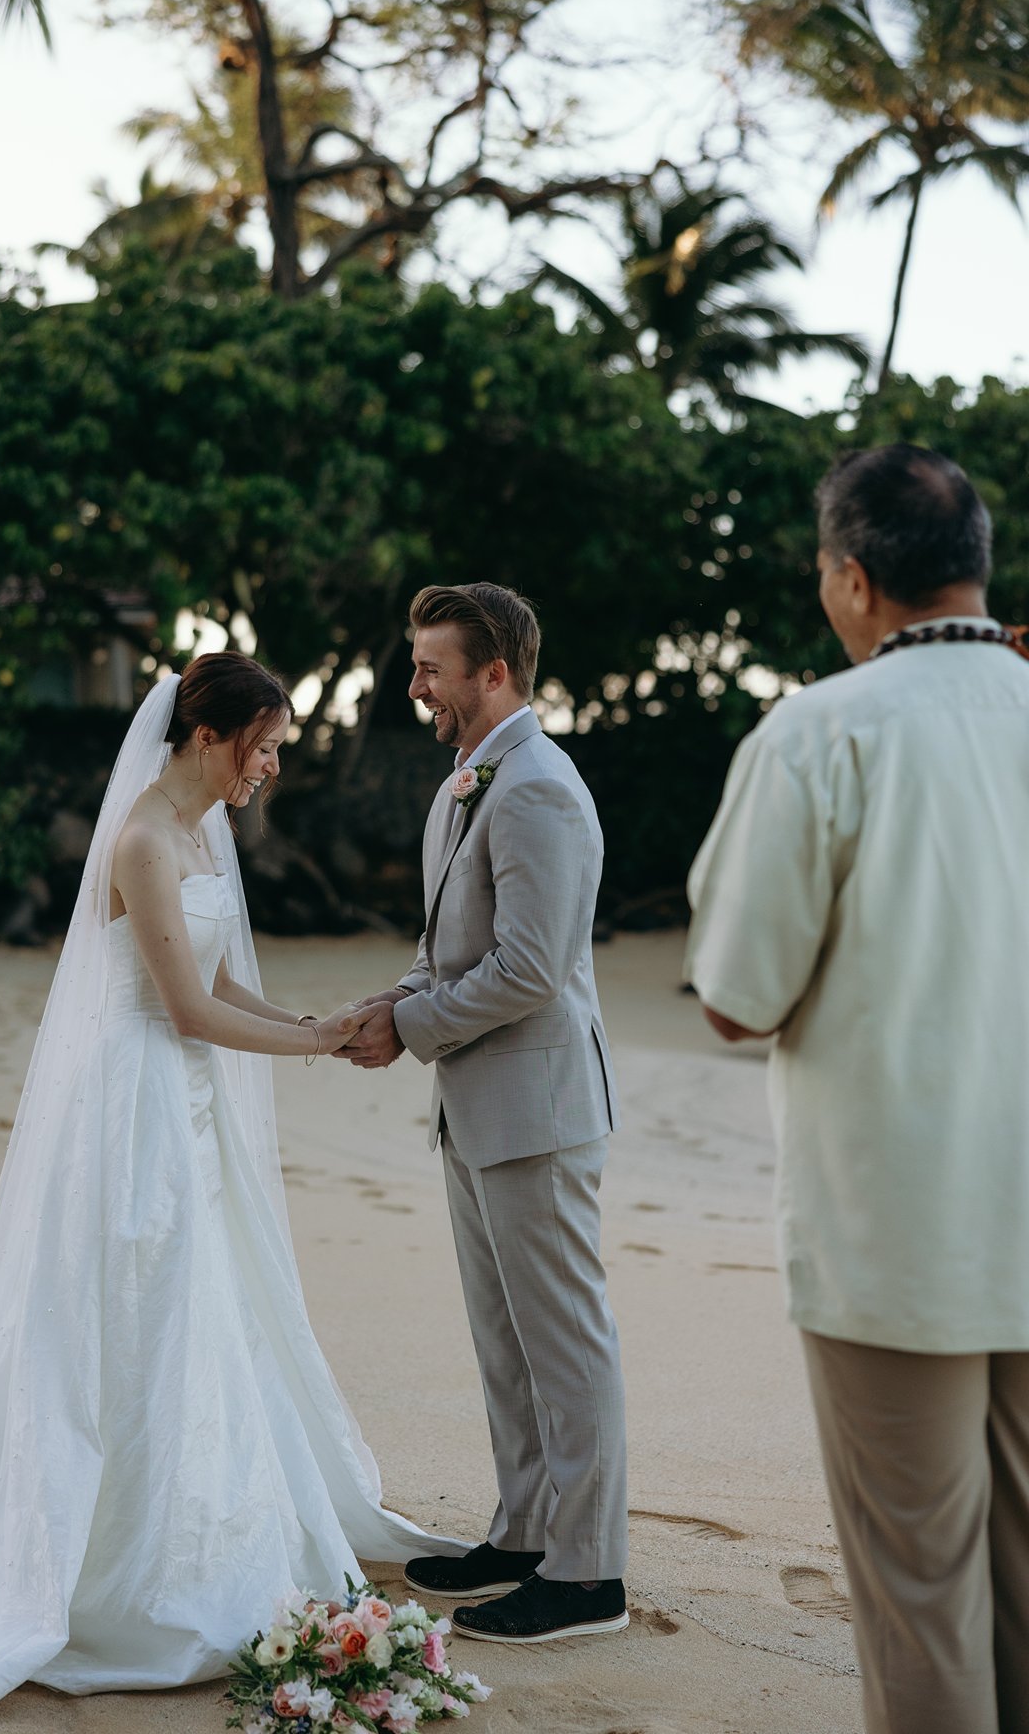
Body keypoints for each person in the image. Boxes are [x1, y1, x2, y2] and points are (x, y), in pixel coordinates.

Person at [0, 652, 463, 1734]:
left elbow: (224, 984)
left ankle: (196, 1514)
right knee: (137, 1303)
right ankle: (115, 1559)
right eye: (262, 747)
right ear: (208, 737)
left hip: (191, 1102)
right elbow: (183, 1010)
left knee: (202, 1301)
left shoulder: (204, 833)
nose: (269, 768)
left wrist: (319, 1022)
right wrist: (316, 1042)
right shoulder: (137, 839)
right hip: (132, 1103)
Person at [684, 445, 1029, 1734]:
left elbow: (736, 993)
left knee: (921, 1594)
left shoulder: (823, 730)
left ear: (853, 579)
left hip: (900, 1232)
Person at [339, 582, 629, 1644]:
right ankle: (522, 1535)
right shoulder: (470, 781)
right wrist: (395, 1003)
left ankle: (591, 1574)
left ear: (493, 671)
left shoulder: (537, 787)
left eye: (431, 668)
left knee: (565, 1343)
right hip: (476, 1106)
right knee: (504, 1341)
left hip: (540, 1109)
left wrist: (411, 1028)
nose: (417, 686)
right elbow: (448, 945)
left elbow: (530, 972)